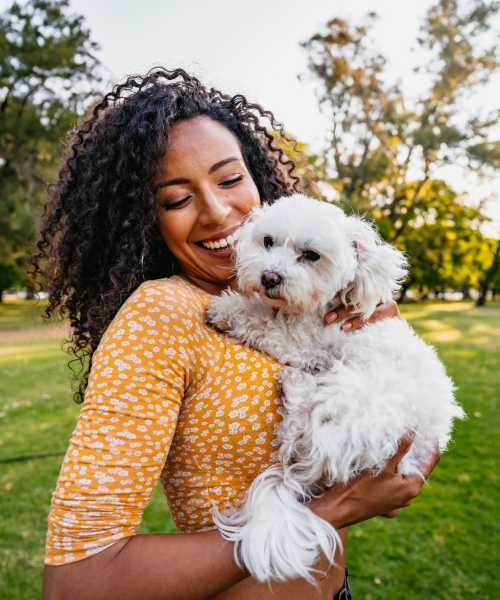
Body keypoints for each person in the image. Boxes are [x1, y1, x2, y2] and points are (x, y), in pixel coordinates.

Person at [35, 67, 440, 600]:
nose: (218, 212)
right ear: (143, 218)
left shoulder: (311, 300)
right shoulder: (161, 314)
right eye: (177, 199)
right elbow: (76, 582)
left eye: (229, 180)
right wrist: (336, 509)